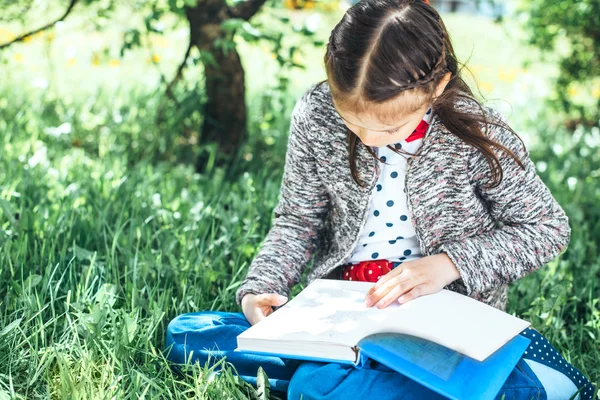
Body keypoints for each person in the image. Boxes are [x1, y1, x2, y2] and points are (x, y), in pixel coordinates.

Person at [165, 0, 596, 398]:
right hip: (342, 308)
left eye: (392, 129)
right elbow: (297, 221)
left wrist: (448, 265)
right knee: (189, 334)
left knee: (314, 386)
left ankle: (505, 383)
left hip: (439, 317)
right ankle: (456, 382)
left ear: (437, 85)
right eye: (352, 121)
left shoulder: (477, 135)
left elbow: (547, 229)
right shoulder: (316, 115)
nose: (370, 140)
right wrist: (261, 290)